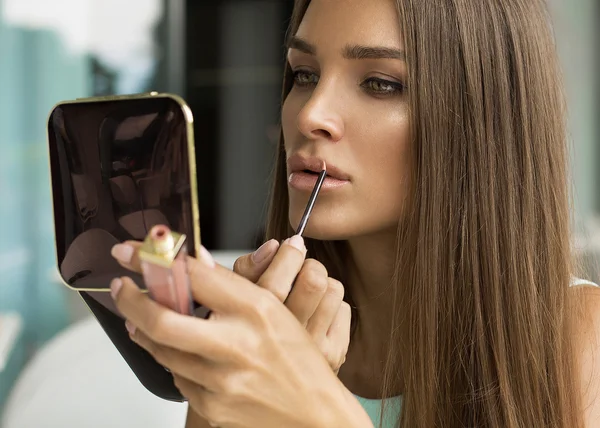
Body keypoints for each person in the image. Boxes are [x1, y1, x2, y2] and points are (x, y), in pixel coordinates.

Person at [108, 0, 600, 426]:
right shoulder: (264, 334)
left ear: (483, 121)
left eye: (381, 84)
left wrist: (316, 409)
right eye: (304, 74)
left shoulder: (579, 339)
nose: (308, 114)